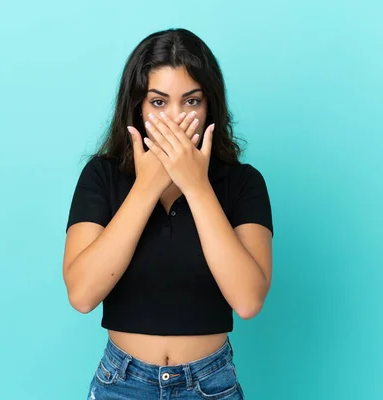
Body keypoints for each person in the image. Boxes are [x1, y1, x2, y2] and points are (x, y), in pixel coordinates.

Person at [63, 28, 274, 399]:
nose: (176, 118)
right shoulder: (102, 176)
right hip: (122, 383)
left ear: (210, 106)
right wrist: (147, 186)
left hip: (211, 384)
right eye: (159, 103)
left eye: (191, 101)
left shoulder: (242, 183)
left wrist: (196, 186)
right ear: (138, 108)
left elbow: (248, 300)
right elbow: (82, 294)